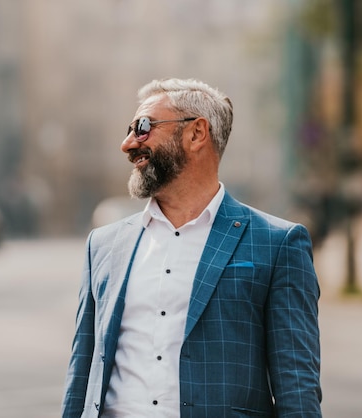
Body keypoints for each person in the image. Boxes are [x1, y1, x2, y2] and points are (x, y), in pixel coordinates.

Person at [61, 78, 322, 418]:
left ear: (197, 133)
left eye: (143, 128)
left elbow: (297, 389)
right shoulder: (104, 245)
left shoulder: (277, 244)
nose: (127, 144)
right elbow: (82, 373)